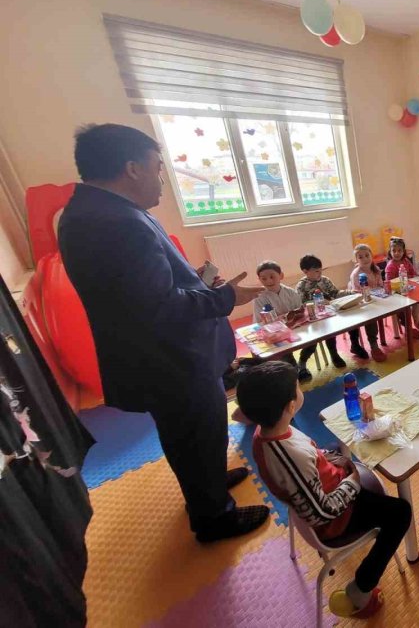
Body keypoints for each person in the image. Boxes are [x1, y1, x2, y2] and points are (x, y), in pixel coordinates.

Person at [58, 123, 268, 542]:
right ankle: (213, 519)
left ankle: (205, 489)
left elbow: (141, 287)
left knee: (191, 435)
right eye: (158, 167)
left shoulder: (92, 212)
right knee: (195, 431)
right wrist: (226, 297)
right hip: (171, 361)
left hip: (156, 359)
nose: (163, 179)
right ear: (132, 168)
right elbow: (161, 306)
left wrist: (193, 278)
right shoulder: (117, 224)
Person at [237, 361, 410, 620]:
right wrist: (352, 480)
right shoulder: (288, 456)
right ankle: (361, 590)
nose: (300, 389)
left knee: (339, 445)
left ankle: (347, 467)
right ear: (290, 406)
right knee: (401, 513)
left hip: (326, 484)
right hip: (336, 519)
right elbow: (323, 512)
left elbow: (311, 457)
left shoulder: (267, 430)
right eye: (297, 387)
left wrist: (331, 459)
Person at [295, 254, 348, 376]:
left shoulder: (325, 280)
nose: (320, 273)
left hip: (329, 314)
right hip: (312, 319)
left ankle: (334, 354)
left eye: (320, 270)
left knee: (332, 333)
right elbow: (302, 304)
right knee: (312, 342)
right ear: (305, 271)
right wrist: (316, 303)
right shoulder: (301, 286)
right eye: (316, 271)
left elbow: (335, 293)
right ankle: (302, 362)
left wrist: (350, 293)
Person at [347, 244, 387, 362]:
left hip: (377, 300)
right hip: (364, 305)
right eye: (360, 257)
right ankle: (374, 345)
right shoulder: (356, 274)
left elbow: (381, 284)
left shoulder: (376, 269)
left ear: (371, 255)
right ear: (356, 260)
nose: (365, 259)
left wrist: (382, 291)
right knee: (371, 318)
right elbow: (357, 293)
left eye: (367, 255)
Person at [252, 260, 305, 324]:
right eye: (264, 278)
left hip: (295, 325)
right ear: (259, 279)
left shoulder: (291, 293)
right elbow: (260, 322)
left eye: (272, 277)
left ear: (281, 275)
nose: (268, 281)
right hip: (273, 330)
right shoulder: (258, 298)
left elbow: (300, 312)